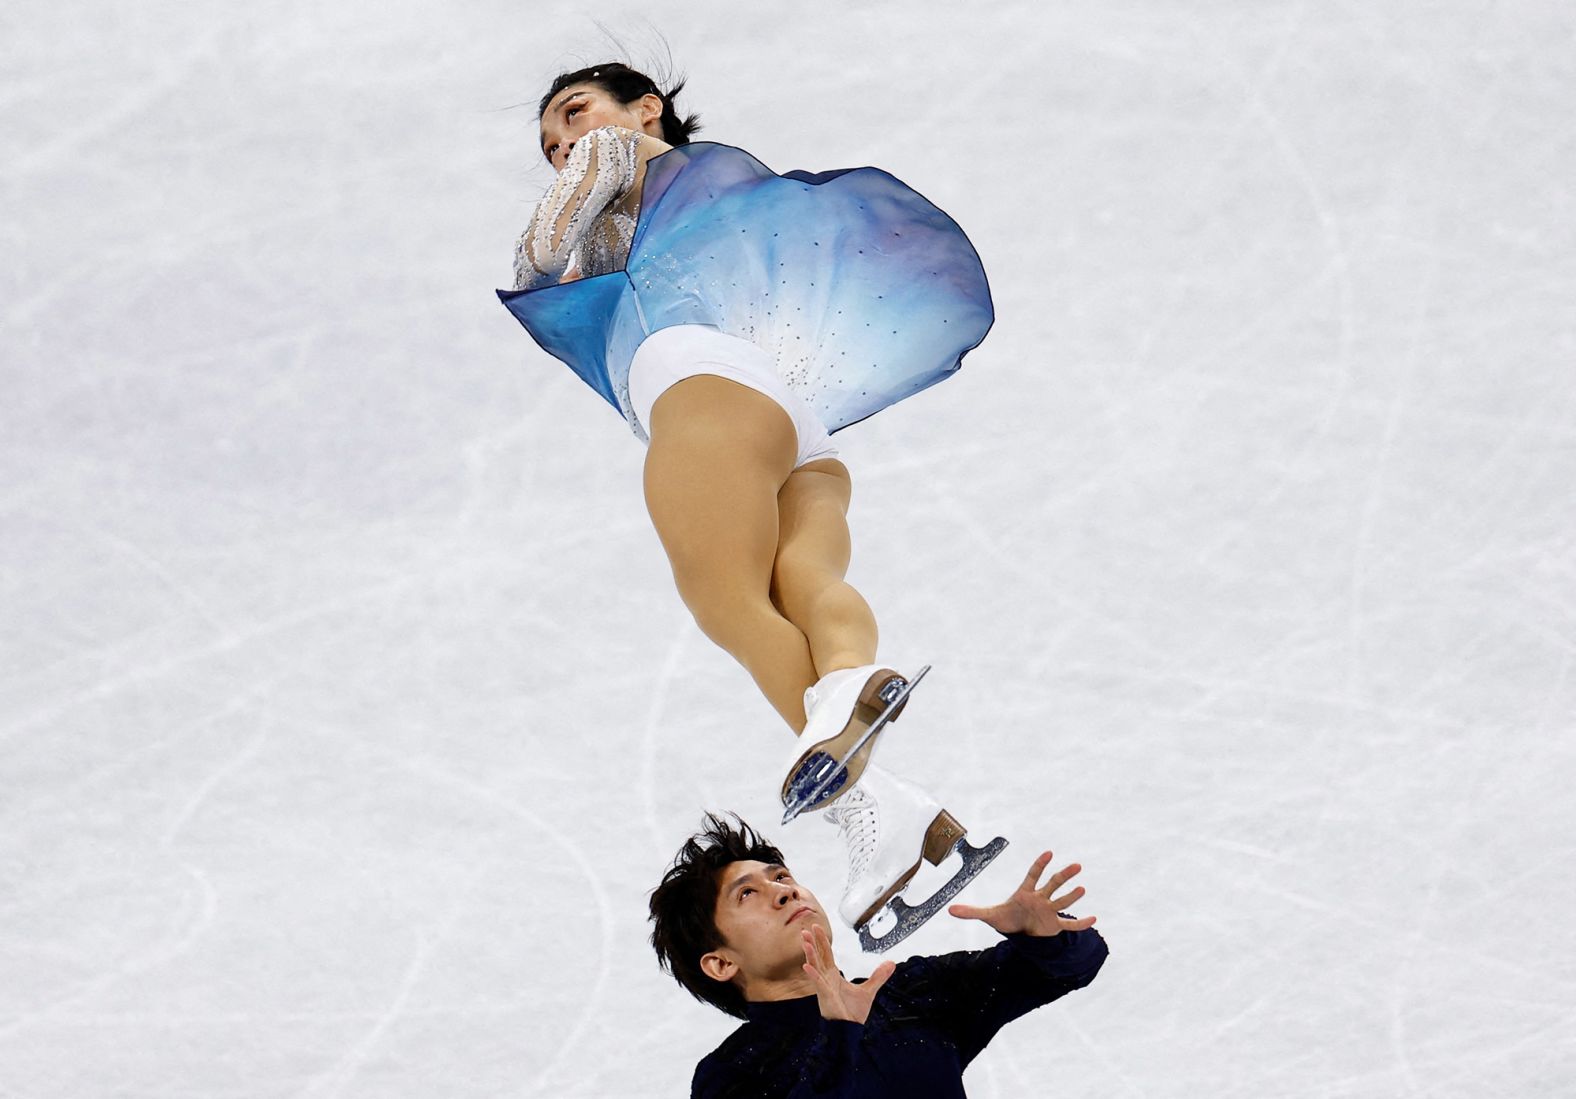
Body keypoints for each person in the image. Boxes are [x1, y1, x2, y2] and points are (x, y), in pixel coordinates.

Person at [499, 62, 1000, 943]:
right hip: (799, 425)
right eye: (549, 143)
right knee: (803, 577)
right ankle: (880, 757)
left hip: (698, 392)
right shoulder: (702, 194)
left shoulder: (615, 153)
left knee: (728, 601)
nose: (564, 145)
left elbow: (541, 252)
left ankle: (867, 816)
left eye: (573, 115)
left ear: (645, 107)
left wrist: (557, 240)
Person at [648, 814, 1108, 1097]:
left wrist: (1042, 937)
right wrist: (838, 1035)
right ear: (721, 963)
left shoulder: (910, 993)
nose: (783, 892)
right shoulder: (730, 1076)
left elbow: (1079, 961)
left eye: (783, 877)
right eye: (747, 893)